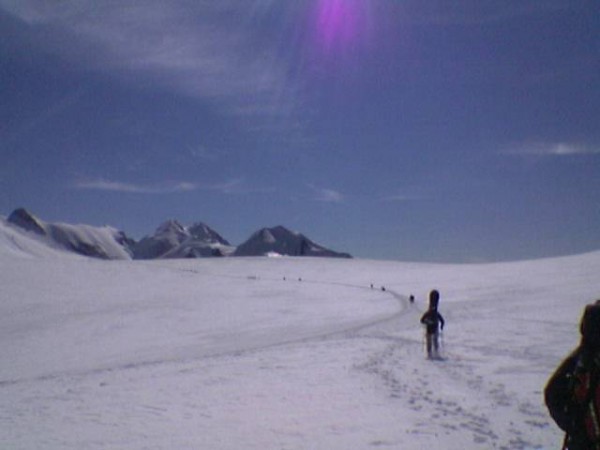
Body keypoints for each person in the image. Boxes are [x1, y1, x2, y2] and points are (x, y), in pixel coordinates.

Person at [545, 300, 600, 450]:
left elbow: (552, 394)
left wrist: (576, 427)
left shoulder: (580, 358)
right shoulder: (583, 360)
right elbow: (553, 394)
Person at [420, 289, 445, 359]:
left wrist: (442, 325)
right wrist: (428, 322)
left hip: (434, 328)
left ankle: (435, 353)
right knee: (430, 341)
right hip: (430, 328)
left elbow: (442, 320)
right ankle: (430, 353)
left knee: (434, 341)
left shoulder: (433, 313)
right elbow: (422, 320)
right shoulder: (429, 313)